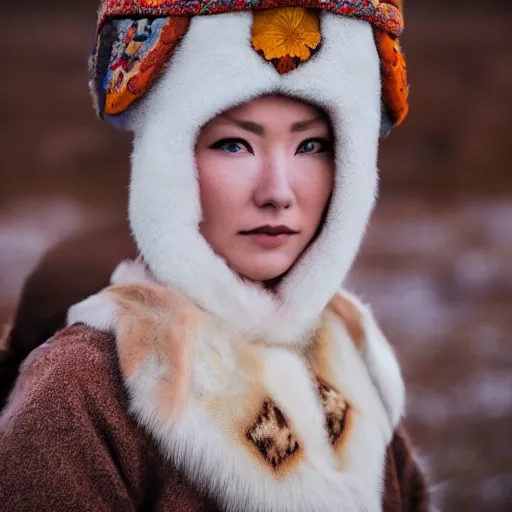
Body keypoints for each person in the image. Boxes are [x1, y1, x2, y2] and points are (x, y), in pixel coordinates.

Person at [0, 1, 429, 511]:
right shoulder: (79, 393)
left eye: (312, 146)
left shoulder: (353, 352)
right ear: (170, 160)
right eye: (234, 145)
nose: (277, 192)